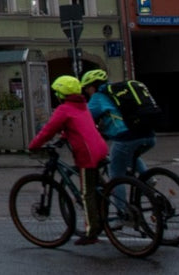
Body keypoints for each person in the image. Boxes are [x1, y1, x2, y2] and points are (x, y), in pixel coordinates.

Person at [29, 75, 109, 245]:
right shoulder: (82, 106)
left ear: (60, 94)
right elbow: (75, 125)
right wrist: (64, 137)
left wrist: (33, 145)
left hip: (87, 154)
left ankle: (91, 232)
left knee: (87, 193)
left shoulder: (63, 109)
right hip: (100, 148)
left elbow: (48, 131)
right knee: (98, 187)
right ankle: (103, 212)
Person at [81, 69, 156, 188]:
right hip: (149, 135)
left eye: (86, 88)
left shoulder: (98, 97)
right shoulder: (118, 93)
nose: (86, 91)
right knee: (129, 155)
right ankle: (148, 179)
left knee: (116, 175)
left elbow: (83, 118)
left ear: (93, 86)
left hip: (126, 137)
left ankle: (121, 207)